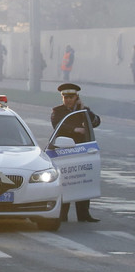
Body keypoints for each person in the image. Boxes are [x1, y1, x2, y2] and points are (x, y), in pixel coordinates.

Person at [51, 82, 102, 223]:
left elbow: (96, 122)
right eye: (65, 97)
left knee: (83, 182)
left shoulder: (83, 110)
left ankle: (84, 214)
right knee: (65, 184)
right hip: (65, 152)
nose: (67, 100)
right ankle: (62, 214)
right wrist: (75, 130)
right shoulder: (57, 111)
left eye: (71, 97)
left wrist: (83, 108)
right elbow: (58, 125)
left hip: (82, 151)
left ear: (76, 97)